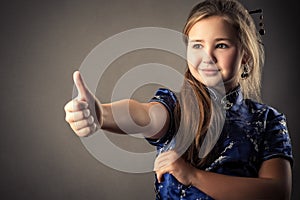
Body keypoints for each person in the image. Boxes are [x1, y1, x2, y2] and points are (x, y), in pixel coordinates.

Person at [64, 0, 293, 199]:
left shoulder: (268, 121)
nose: (207, 57)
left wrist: (193, 176)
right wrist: (101, 114)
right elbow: (145, 115)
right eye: (197, 45)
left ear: (245, 54)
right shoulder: (175, 106)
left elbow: (276, 193)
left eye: (221, 45)